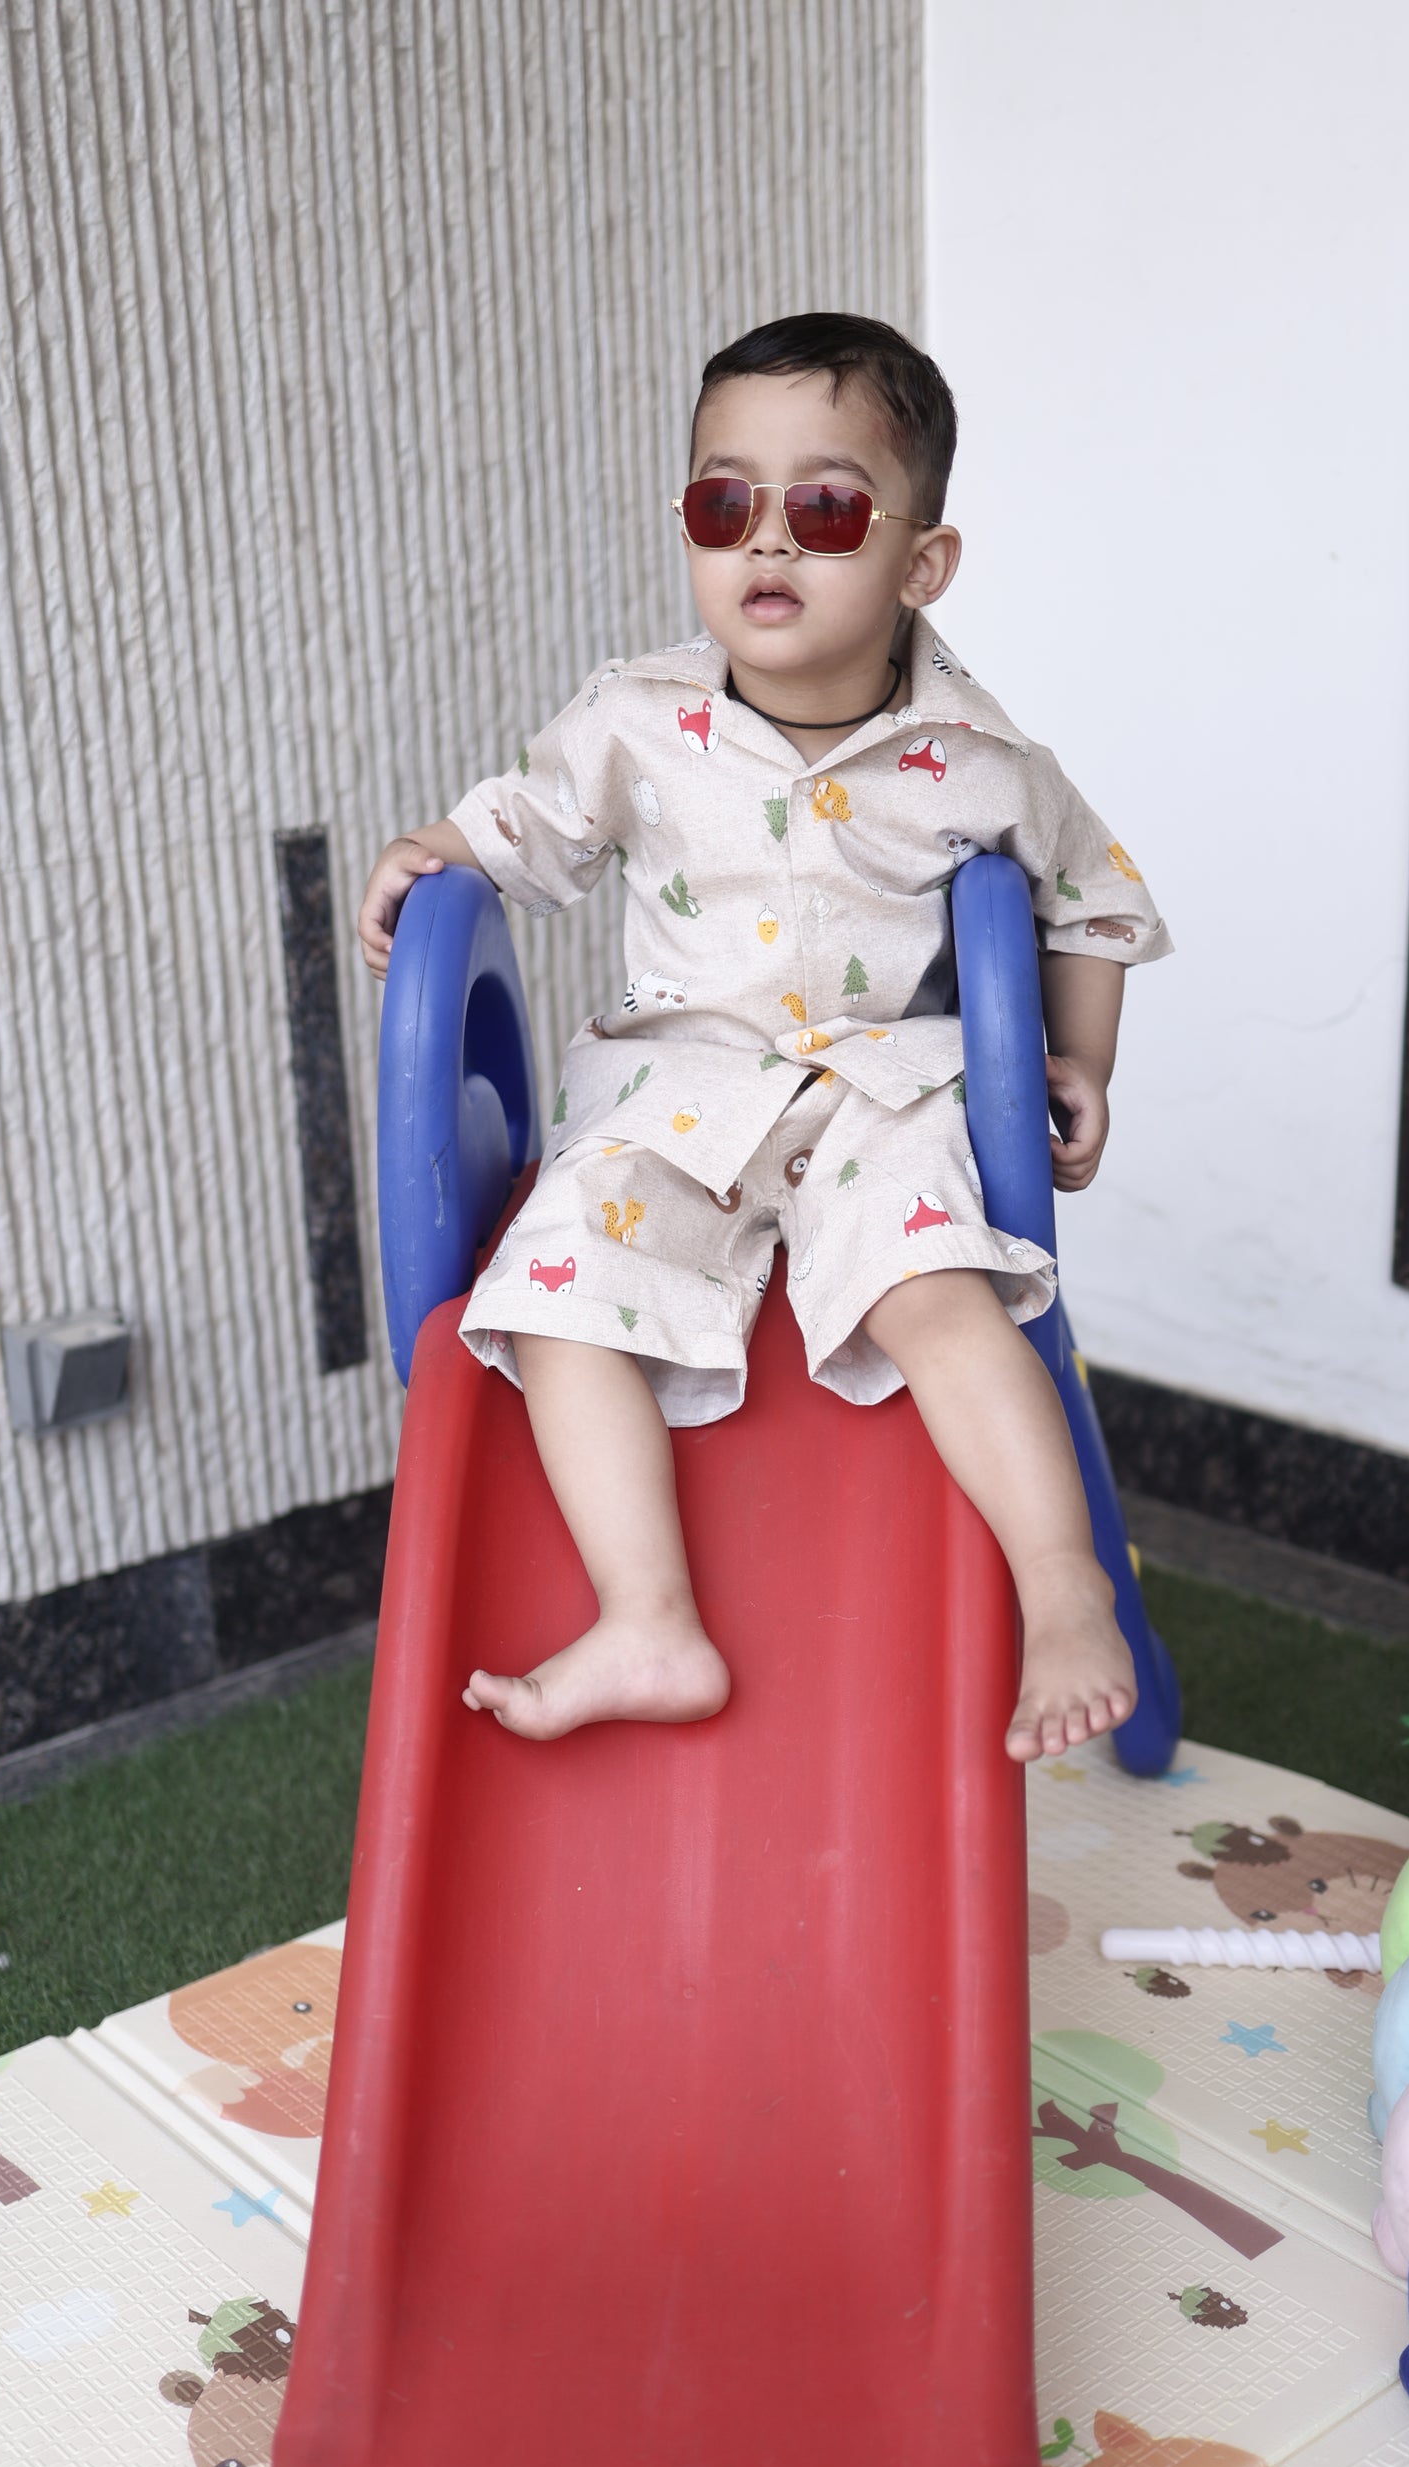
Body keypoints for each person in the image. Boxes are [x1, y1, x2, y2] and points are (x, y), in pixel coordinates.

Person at [357, 312, 1171, 1762]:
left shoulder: (982, 763)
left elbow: (1094, 902)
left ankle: (1062, 1592)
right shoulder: (635, 719)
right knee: (555, 1288)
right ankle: (647, 1618)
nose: (770, 541)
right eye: (725, 503)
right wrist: (430, 854)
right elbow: (525, 829)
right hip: (676, 1093)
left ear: (921, 563)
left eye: (828, 509)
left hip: (880, 1097)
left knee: (940, 1289)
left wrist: (1079, 1060)